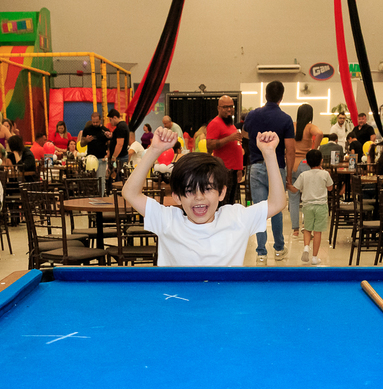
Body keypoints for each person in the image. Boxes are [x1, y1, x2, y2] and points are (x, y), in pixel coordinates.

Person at [122, 127, 286, 266]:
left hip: (225, 295)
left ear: (222, 192)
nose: (199, 197)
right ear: (177, 196)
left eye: (207, 189)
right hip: (178, 296)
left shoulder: (237, 218)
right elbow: (130, 193)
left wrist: (269, 153)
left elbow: (277, 203)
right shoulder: (168, 221)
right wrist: (154, 150)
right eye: (189, 190)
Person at [243, 81, 296, 263]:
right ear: (281, 97)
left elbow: (245, 134)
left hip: (256, 166)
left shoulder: (252, 115)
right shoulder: (286, 119)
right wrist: (288, 177)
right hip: (276, 166)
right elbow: (290, 150)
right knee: (277, 208)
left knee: (259, 209)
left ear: (265, 95)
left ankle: (261, 252)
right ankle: (279, 248)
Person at [287, 104, 325, 242]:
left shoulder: (292, 125)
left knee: (293, 198)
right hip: (305, 163)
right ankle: (306, 227)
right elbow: (320, 133)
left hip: (291, 164)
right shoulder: (309, 127)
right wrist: (314, 149)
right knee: (308, 198)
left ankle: (295, 230)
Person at [291, 149, 333, 266]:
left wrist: (288, 185)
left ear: (307, 163)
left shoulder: (303, 175)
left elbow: (295, 189)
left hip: (307, 205)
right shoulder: (325, 174)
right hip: (321, 206)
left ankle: (306, 247)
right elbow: (330, 188)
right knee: (317, 231)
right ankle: (314, 257)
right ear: (321, 161)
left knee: (307, 229)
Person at [206, 94, 246, 204]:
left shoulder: (230, 124)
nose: (229, 109)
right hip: (224, 170)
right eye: (225, 107)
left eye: (231, 106)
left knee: (230, 204)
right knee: (224, 204)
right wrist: (229, 138)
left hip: (233, 171)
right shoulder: (215, 123)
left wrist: (239, 168)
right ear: (218, 108)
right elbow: (209, 145)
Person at [81, 111, 110, 192]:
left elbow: (110, 144)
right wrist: (86, 140)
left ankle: (101, 196)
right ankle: (90, 196)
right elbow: (82, 144)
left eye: (97, 122)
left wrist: (108, 154)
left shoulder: (104, 130)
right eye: (93, 122)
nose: (95, 124)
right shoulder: (87, 129)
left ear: (100, 120)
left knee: (101, 179)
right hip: (90, 159)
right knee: (89, 180)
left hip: (101, 158)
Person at [108, 108, 131, 174]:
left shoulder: (121, 127)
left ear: (115, 117)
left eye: (110, 120)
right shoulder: (122, 126)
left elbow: (119, 144)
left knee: (118, 177)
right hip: (121, 156)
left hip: (120, 157)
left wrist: (114, 157)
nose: (110, 122)